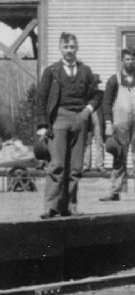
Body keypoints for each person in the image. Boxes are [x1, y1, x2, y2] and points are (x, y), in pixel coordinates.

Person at [35, 32, 102, 219]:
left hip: (79, 118)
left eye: (72, 47)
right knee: (56, 164)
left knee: (75, 167)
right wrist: (42, 125)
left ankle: (69, 206)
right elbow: (41, 99)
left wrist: (87, 111)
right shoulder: (51, 72)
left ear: (77, 48)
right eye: (66, 47)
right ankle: (51, 206)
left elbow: (97, 95)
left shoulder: (85, 71)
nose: (69, 51)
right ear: (60, 48)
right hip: (58, 118)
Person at [98, 47, 135, 202]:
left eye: (133, 59)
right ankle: (114, 191)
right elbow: (106, 103)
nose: (130, 62)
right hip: (120, 124)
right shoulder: (114, 80)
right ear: (122, 61)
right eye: (127, 59)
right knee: (119, 156)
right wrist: (108, 123)